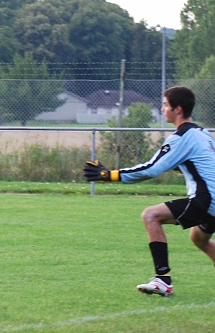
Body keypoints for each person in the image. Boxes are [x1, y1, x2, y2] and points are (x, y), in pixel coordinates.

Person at [84, 86, 215, 296]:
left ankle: (163, 280)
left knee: (150, 215)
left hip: (206, 200)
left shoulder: (181, 137)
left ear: (178, 109)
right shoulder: (202, 134)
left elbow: (151, 169)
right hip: (211, 199)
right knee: (198, 238)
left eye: (165, 105)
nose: (162, 109)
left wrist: (110, 175)